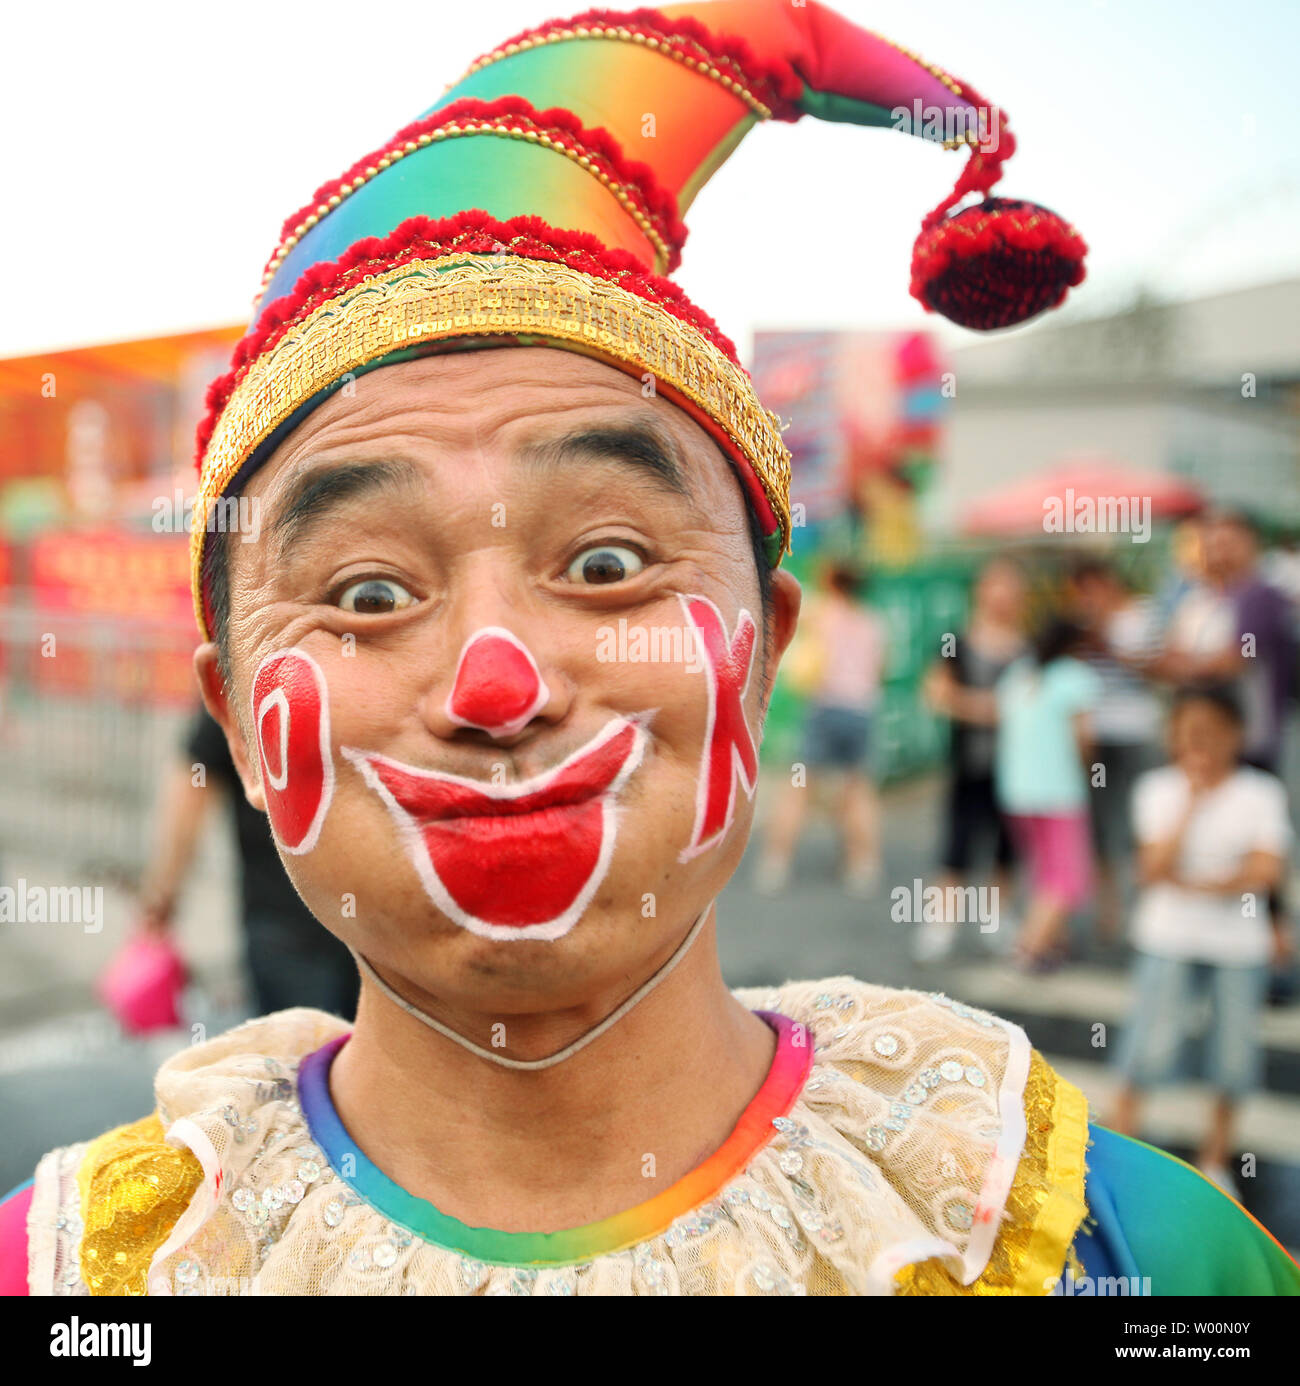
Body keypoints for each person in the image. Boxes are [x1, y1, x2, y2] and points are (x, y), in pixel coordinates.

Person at [2, 1, 1293, 1298]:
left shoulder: (1123, 1251)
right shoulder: (77, 1275)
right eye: (371, 588)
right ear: (235, 721)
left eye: (609, 564)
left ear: (763, 644)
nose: (493, 683)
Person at [1111, 686, 1295, 1195]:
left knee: (1234, 1057)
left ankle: (1215, 1159)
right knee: (1146, 1045)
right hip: (1168, 936)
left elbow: (1266, 869)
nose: (1202, 747)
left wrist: (1198, 882)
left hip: (1239, 944)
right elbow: (1151, 867)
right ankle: (1120, 1150)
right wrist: (1191, 806)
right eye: (1190, 735)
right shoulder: (1158, 789)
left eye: (1213, 735)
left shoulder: (1262, 792)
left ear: (1236, 735)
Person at [137, 704, 360, 1018]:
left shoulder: (242, 663)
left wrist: (161, 897)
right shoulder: (371, 669)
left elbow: (192, 788)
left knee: (291, 1055)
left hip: (283, 921)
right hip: (367, 919)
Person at [916, 557, 1027, 961]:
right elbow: (935, 694)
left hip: (1018, 769)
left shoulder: (1029, 649)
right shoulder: (956, 643)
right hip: (968, 763)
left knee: (1007, 848)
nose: (1002, 596)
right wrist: (992, 708)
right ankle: (940, 926)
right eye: (995, 586)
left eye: (1010, 587)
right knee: (957, 846)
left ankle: (996, 922)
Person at [757, 560, 885, 896]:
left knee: (799, 786)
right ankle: (863, 865)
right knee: (857, 789)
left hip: (826, 707)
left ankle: (776, 861)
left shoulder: (822, 614)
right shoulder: (872, 624)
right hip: (861, 711)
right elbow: (879, 671)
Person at [994, 619, 1101, 970]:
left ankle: (1051, 945)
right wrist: (1091, 770)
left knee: (1042, 872)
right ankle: (1028, 947)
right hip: (1058, 791)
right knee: (1067, 876)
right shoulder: (1074, 676)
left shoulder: (1019, 674)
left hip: (1017, 790)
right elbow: (1084, 737)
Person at [1066, 558, 1162, 942]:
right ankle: (1110, 910)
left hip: (1135, 731)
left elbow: (1157, 667)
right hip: (1096, 736)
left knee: (1143, 819)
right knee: (1101, 825)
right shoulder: (1077, 624)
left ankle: (1147, 906)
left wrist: (1111, 646)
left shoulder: (1141, 615)